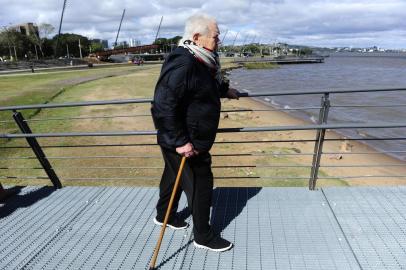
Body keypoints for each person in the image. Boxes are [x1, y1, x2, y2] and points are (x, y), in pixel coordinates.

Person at [151, 13, 240, 252]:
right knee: (201, 184)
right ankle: (203, 236)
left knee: (174, 177)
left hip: (181, 138)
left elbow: (200, 86)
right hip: (187, 140)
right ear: (198, 37)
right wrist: (180, 141)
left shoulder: (200, 59)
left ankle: (164, 215)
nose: (219, 40)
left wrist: (224, 90)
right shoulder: (184, 62)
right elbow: (162, 104)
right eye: (216, 36)